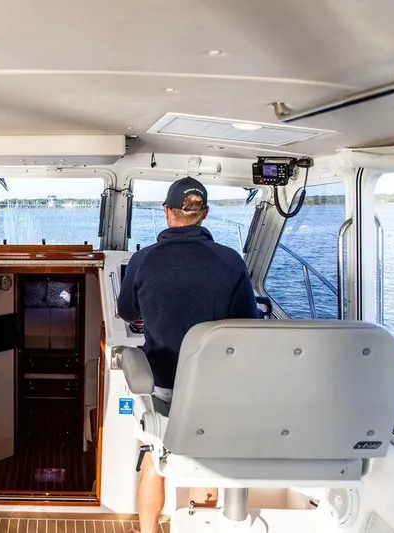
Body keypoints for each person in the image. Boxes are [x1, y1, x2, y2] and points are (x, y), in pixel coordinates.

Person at [117, 176, 259, 533]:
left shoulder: (143, 259)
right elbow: (247, 322)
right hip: (213, 387)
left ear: (168, 213)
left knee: (155, 455)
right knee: (203, 460)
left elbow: (126, 310)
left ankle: (149, 530)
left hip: (162, 383)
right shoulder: (230, 261)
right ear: (204, 213)